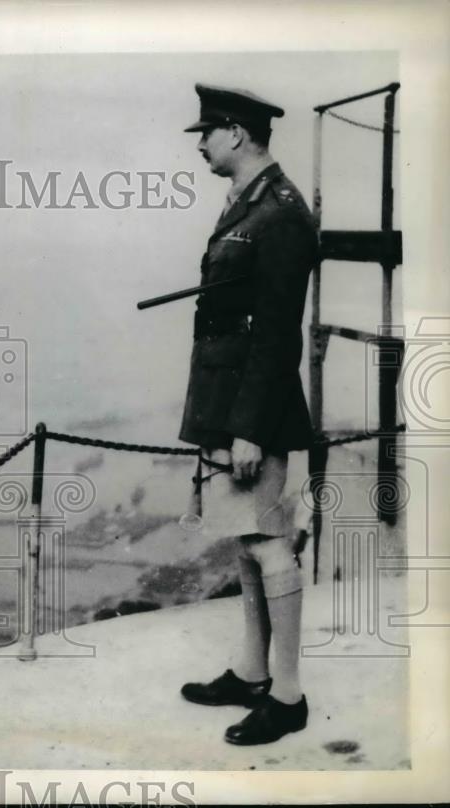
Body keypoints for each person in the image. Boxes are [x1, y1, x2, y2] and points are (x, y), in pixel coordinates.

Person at [176, 83, 317, 745]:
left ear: (235, 132)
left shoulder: (280, 213)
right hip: (225, 399)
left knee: (268, 541)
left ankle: (286, 697)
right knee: (247, 537)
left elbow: (278, 334)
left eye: (206, 132)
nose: (200, 143)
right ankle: (251, 670)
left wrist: (249, 429)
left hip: (249, 410)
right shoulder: (247, 203)